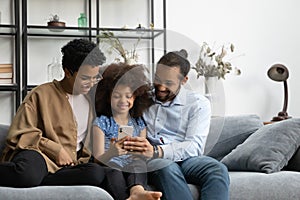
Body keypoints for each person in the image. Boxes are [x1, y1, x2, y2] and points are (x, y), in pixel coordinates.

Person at [123, 49, 230, 200]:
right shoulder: (142, 98)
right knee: (167, 167)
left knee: (217, 169)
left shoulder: (198, 104)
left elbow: (194, 146)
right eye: (158, 79)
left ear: (184, 80)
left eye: (169, 83)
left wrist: (157, 151)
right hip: (154, 161)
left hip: (186, 159)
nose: (160, 87)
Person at [0, 39, 107, 188]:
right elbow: (19, 134)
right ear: (67, 72)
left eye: (95, 77)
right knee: (27, 174)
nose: (91, 83)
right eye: (85, 78)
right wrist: (56, 150)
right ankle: (35, 177)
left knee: (95, 174)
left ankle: (42, 180)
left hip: (69, 166)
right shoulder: (40, 94)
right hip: (41, 156)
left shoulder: (91, 99)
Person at [93, 63, 162, 200]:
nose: (123, 101)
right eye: (117, 96)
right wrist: (112, 153)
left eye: (128, 96)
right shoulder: (101, 122)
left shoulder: (139, 122)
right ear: (108, 97)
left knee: (138, 164)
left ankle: (137, 191)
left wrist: (139, 151)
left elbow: (141, 154)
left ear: (136, 97)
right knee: (113, 170)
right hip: (111, 164)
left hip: (132, 164)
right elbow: (97, 159)